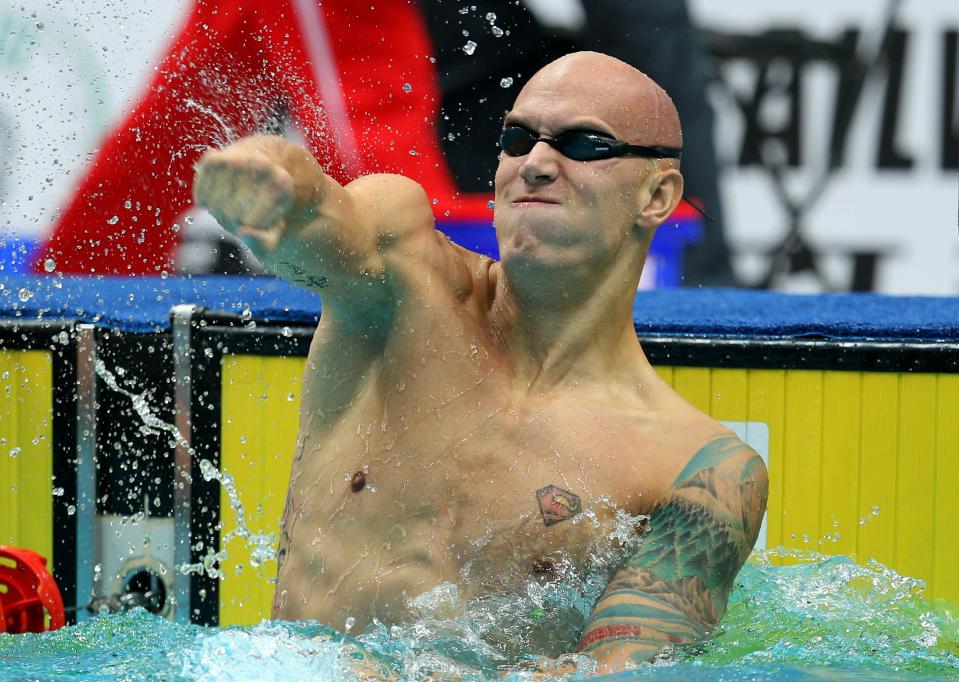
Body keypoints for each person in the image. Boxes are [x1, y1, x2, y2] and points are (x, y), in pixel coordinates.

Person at [193, 51, 767, 675]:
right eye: (518, 139)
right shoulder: (402, 281)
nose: (537, 165)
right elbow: (323, 222)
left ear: (658, 194)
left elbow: (624, 667)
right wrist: (276, 181)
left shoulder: (698, 470)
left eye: (583, 145)